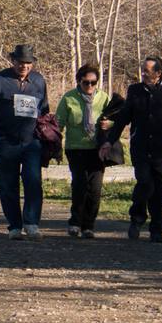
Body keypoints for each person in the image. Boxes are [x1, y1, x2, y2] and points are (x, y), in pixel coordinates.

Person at [101, 56, 162, 242]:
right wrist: (110, 140)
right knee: (145, 183)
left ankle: (157, 230)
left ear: (158, 73)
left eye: (146, 71)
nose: (142, 73)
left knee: (160, 190)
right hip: (141, 147)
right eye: (142, 70)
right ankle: (137, 218)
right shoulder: (135, 90)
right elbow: (124, 117)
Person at [0, 44, 51, 240]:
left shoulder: (39, 81)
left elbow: (45, 110)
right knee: (8, 185)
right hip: (7, 141)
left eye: (28, 63)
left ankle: (31, 223)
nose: (24, 66)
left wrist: (48, 137)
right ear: (13, 61)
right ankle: (14, 225)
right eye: (20, 62)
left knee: (33, 181)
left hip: (32, 142)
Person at [56, 64, 110, 238]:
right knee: (79, 185)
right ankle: (75, 222)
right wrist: (54, 145)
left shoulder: (103, 98)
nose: (89, 86)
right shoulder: (69, 98)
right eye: (86, 82)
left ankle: (89, 225)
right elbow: (59, 123)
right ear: (79, 81)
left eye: (93, 83)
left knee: (94, 189)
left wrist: (109, 124)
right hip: (76, 148)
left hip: (97, 149)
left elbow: (116, 119)